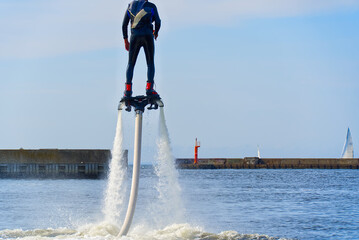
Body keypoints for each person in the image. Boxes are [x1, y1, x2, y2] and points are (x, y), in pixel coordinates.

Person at [122, 0, 161, 99]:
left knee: (131, 63)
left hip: (134, 36)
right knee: (150, 62)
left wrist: (126, 40)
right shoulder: (151, 6)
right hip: (148, 35)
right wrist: (155, 33)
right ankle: (149, 88)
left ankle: (128, 89)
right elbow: (158, 21)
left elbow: (124, 25)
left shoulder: (130, 6)